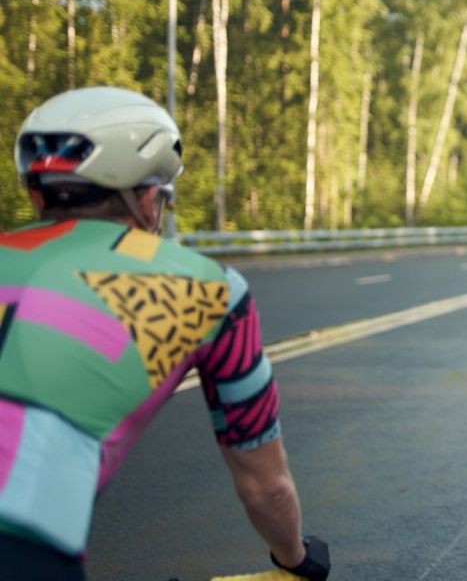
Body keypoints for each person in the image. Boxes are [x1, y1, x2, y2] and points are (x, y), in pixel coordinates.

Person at [0, 87, 329, 581]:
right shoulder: (210, 288)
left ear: (37, 190)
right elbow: (266, 486)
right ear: (148, 199)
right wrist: (296, 560)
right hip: (22, 542)